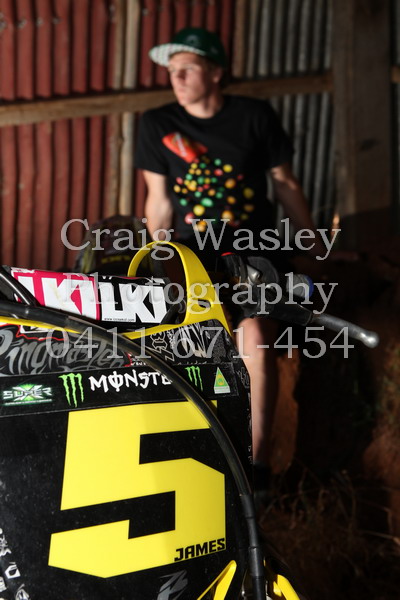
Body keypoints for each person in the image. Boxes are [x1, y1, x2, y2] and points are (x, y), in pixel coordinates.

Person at [134, 27, 331, 493]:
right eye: (172, 70)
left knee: (256, 335)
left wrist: (312, 248)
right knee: (194, 341)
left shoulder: (253, 117)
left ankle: (255, 473)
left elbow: (285, 184)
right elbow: (158, 201)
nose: (177, 79)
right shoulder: (157, 124)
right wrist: (155, 262)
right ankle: (193, 465)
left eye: (188, 69)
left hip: (254, 249)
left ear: (217, 73)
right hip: (194, 253)